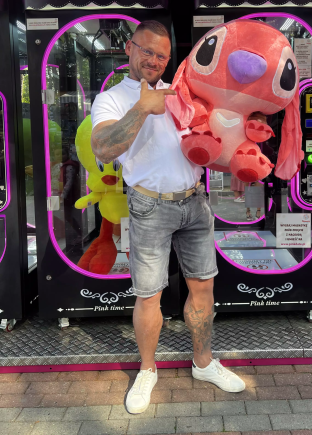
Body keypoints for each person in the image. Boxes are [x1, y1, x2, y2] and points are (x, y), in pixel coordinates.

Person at [90, 20, 246, 415]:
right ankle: (147, 370)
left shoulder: (183, 91)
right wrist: (143, 108)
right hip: (149, 205)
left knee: (203, 287)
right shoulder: (111, 98)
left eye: (162, 56)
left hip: (194, 201)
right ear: (129, 48)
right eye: (147, 51)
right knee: (149, 294)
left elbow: (210, 140)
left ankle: (203, 362)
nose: (154, 60)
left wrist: (235, 165)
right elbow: (104, 149)